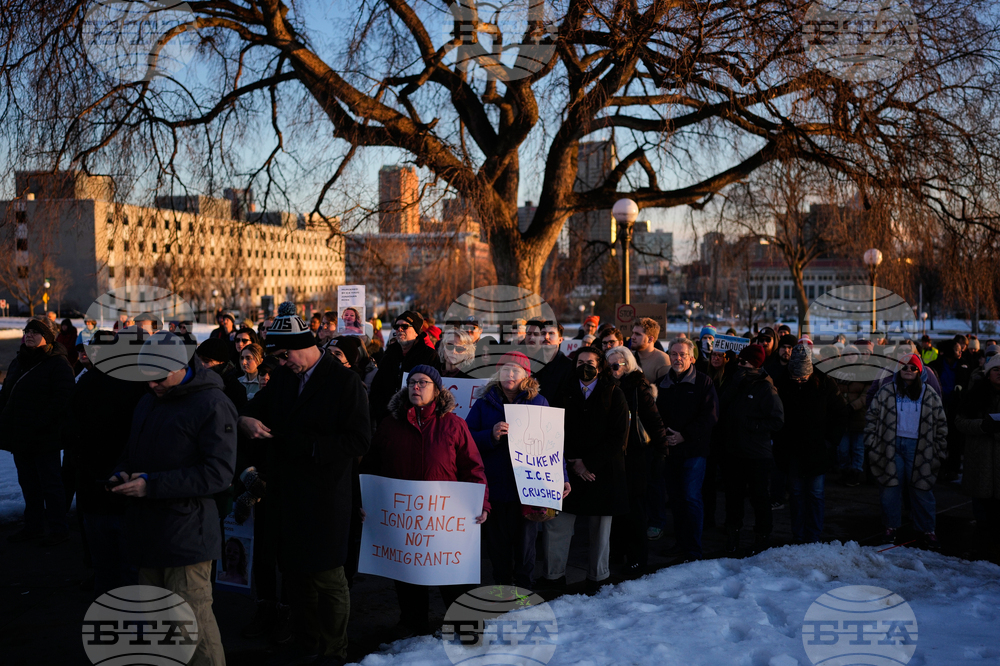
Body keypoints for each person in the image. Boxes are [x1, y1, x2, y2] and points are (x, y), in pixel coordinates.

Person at [240, 302, 371, 664]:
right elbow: (257, 406)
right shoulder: (285, 377)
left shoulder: (344, 381)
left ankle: (334, 650)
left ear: (303, 346)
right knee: (296, 575)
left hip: (325, 495)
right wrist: (245, 419)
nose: (281, 364)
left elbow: (360, 440)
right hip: (287, 493)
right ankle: (306, 641)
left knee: (327, 577)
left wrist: (312, 447)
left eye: (284, 356)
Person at [111, 332, 236, 666]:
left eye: (159, 378)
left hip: (187, 535)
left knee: (192, 626)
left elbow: (218, 474)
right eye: (146, 378)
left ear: (182, 366)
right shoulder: (149, 399)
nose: (152, 385)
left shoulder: (212, 403)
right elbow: (132, 451)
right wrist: (121, 473)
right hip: (148, 531)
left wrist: (151, 485)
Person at [365, 364, 489, 634]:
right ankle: (413, 623)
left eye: (423, 382)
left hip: (444, 517)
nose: (416, 387)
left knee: (452, 573)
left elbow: (472, 468)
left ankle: (465, 624)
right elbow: (373, 466)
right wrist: (367, 501)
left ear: (437, 390)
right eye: (412, 382)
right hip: (404, 518)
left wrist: (481, 503)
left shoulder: (454, 424)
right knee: (407, 571)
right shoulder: (390, 424)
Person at [465, 352, 561, 588]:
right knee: (497, 547)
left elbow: (553, 444)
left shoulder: (538, 402)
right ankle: (502, 588)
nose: (509, 374)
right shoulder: (483, 402)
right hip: (494, 487)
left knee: (525, 546)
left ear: (526, 375)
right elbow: (466, 439)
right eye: (505, 369)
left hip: (526, 490)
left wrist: (563, 477)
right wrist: (490, 435)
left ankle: (524, 589)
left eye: (516, 370)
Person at [541, 347, 629, 595]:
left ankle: (598, 577)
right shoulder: (564, 391)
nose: (585, 367)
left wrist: (587, 463)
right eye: (580, 362)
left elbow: (618, 437)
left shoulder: (614, 393)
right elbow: (553, 428)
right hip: (568, 470)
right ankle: (553, 576)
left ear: (600, 367)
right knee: (556, 526)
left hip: (602, 472)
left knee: (600, 531)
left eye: (590, 362)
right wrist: (574, 462)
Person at [1, 319, 75, 545]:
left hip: (45, 437)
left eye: (35, 332)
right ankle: (33, 527)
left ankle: (58, 530)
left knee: (51, 485)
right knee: (28, 484)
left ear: (48, 337)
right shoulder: (18, 361)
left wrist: (40, 423)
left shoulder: (57, 363)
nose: (29, 335)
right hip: (20, 436)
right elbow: (7, 394)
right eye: (27, 331)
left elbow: (63, 399)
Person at [866, 353, 948, 548]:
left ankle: (928, 530)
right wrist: (871, 443)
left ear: (919, 371)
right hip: (890, 446)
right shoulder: (886, 391)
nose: (908, 370)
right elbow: (872, 416)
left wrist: (938, 449)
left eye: (913, 368)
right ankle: (890, 527)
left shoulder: (929, 393)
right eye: (904, 367)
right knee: (889, 489)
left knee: (922, 490)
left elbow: (941, 423)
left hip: (921, 448)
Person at [649, 339, 718, 561]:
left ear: (692, 358)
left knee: (691, 498)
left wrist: (684, 435)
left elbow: (710, 416)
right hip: (669, 452)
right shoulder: (661, 383)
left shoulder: (703, 382)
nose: (677, 358)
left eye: (682, 354)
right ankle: (680, 544)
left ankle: (693, 549)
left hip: (694, 451)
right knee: (677, 500)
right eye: (674, 354)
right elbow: (653, 415)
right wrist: (663, 435)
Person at [773, 346, 847, 543]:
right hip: (792, 449)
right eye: (796, 377)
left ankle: (813, 535)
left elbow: (840, 413)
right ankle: (798, 535)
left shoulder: (825, 383)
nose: (799, 381)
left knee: (815, 494)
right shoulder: (782, 382)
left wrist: (830, 441)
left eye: (803, 378)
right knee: (796, 494)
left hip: (817, 449)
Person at [606, 346, 668, 574]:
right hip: (615, 457)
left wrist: (661, 452)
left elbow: (654, 421)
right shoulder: (607, 386)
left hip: (635, 457)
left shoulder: (637, 386)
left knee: (635, 510)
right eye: (608, 366)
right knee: (617, 509)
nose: (612, 369)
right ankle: (618, 552)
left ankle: (637, 558)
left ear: (628, 365)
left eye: (616, 365)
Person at [718, 343, 785, 554]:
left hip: (756, 454)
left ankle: (762, 536)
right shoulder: (737, 381)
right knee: (733, 497)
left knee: (759, 497)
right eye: (739, 361)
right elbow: (721, 405)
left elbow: (777, 420)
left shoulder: (766, 387)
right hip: (733, 450)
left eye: (743, 362)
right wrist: (734, 384)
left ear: (754, 364)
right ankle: (733, 535)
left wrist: (751, 425)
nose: (739, 365)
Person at [955, 354, 1000, 557]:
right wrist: (982, 425)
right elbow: (960, 422)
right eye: (996, 369)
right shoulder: (974, 396)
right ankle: (981, 549)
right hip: (980, 461)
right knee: (981, 510)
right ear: (988, 373)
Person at [368, 310, 439, 424]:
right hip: (388, 419)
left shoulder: (429, 355)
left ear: (416, 332)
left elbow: (434, 391)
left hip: (417, 420)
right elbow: (377, 388)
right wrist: (382, 413)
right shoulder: (389, 355)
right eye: (397, 327)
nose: (399, 329)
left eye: (405, 326)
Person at [834, 345, 870, 487]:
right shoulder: (837, 372)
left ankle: (855, 473)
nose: (849, 357)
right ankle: (844, 472)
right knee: (842, 449)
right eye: (847, 354)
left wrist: (853, 406)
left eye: (852, 354)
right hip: (842, 416)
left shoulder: (865, 373)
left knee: (858, 448)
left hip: (858, 416)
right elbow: (834, 391)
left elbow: (866, 394)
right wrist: (842, 406)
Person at [525, 319, 573, 404]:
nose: (546, 337)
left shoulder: (569, 367)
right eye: (543, 333)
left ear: (560, 340)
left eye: (551, 333)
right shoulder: (532, 363)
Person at [196, 338, 249, 412]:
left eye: (206, 361)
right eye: (198, 360)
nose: (201, 364)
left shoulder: (235, 389)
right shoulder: (194, 381)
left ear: (221, 363)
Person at [631, 317, 670, 383]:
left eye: (638, 334)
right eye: (633, 333)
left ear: (650, 339)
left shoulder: (663, 361)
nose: (632, 337)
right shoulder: (629, 357)